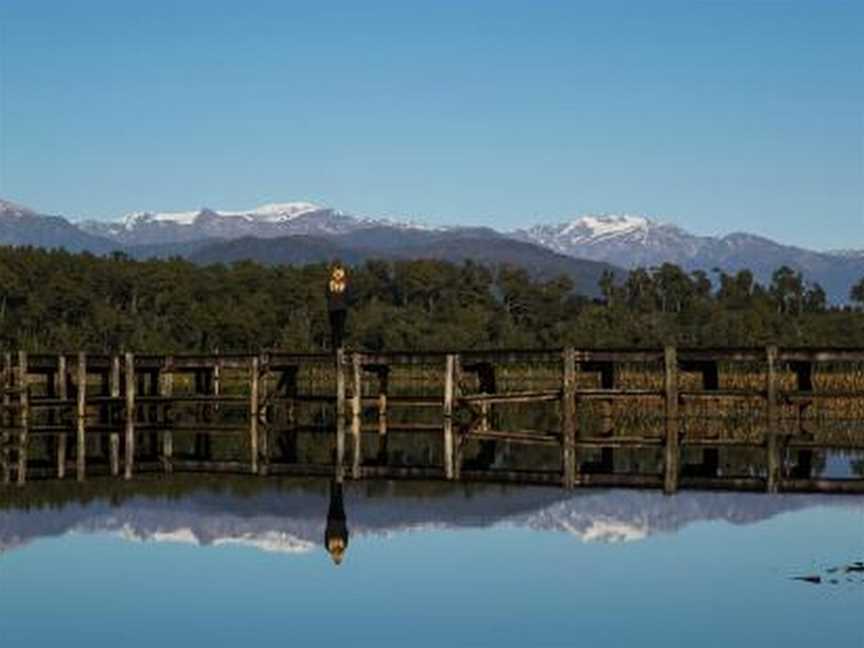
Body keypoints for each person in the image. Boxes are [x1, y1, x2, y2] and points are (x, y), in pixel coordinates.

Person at [324, 479, 349, 565]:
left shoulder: (343, 546)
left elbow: (346, 533)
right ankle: (335, 482)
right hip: (333, 521)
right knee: (334, 500)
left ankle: (338, 482)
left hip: (339, 521)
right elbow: (326, 533)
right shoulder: (329, 547)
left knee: (338, 499)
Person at [326, 262, 349, 350]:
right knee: (340, 329)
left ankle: (334, 347)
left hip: (332, 308)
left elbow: (327, 295)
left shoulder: (330, 283)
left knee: (334, 329)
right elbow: (348, 296)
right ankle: (339, 346)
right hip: (342, 308)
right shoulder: (345, 283)